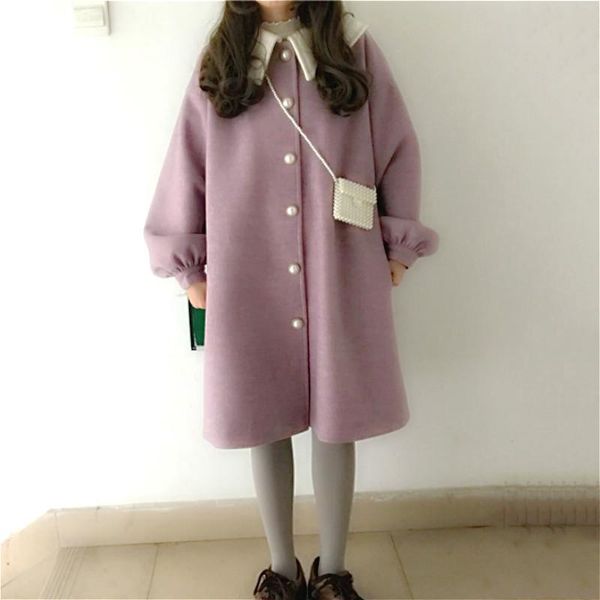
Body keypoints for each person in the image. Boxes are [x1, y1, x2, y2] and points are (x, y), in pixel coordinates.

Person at [143, 1, 439, 598]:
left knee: (338, 420)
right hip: (249, 274)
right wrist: (188, 267)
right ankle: (281, 570)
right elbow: (187, 160)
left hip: (339, 267)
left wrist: (399, 244)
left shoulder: (351, 47)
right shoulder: (222, 60)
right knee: (263, 419)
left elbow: (396, 145)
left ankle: (333, 570)